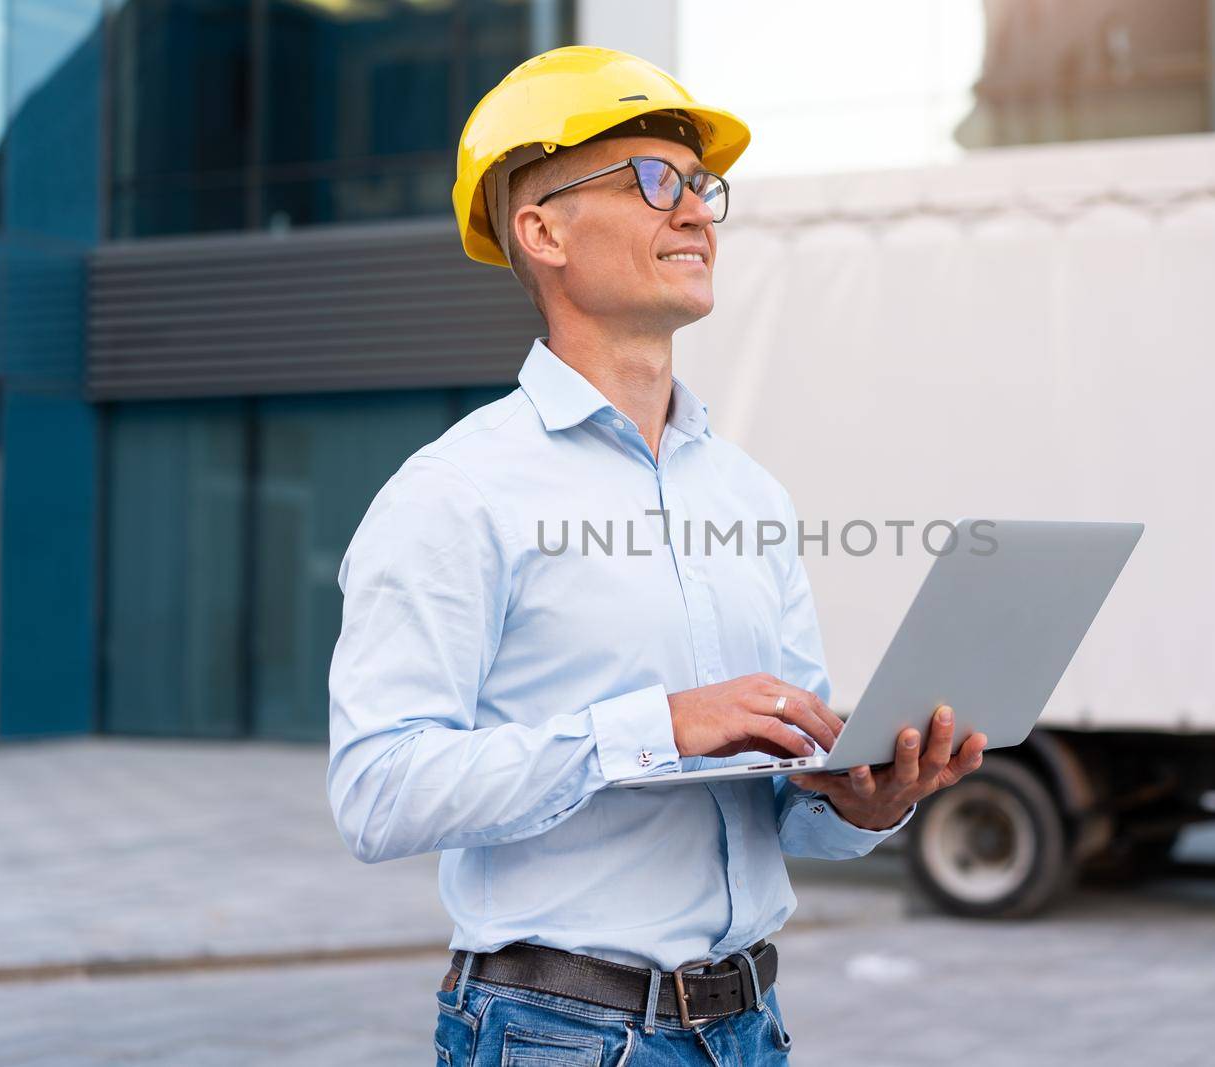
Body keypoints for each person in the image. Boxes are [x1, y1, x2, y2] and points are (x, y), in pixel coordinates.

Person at [326, 45, 988, 1066]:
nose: (693, 213)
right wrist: (655, 726)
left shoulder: (746, 494)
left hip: (748, 1024)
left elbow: (783, 800)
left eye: (698, 187)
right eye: (650, 181)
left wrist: (867, 802)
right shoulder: (455, 492)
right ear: (542, 230)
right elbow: (376, 790)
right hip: (556, 1034)